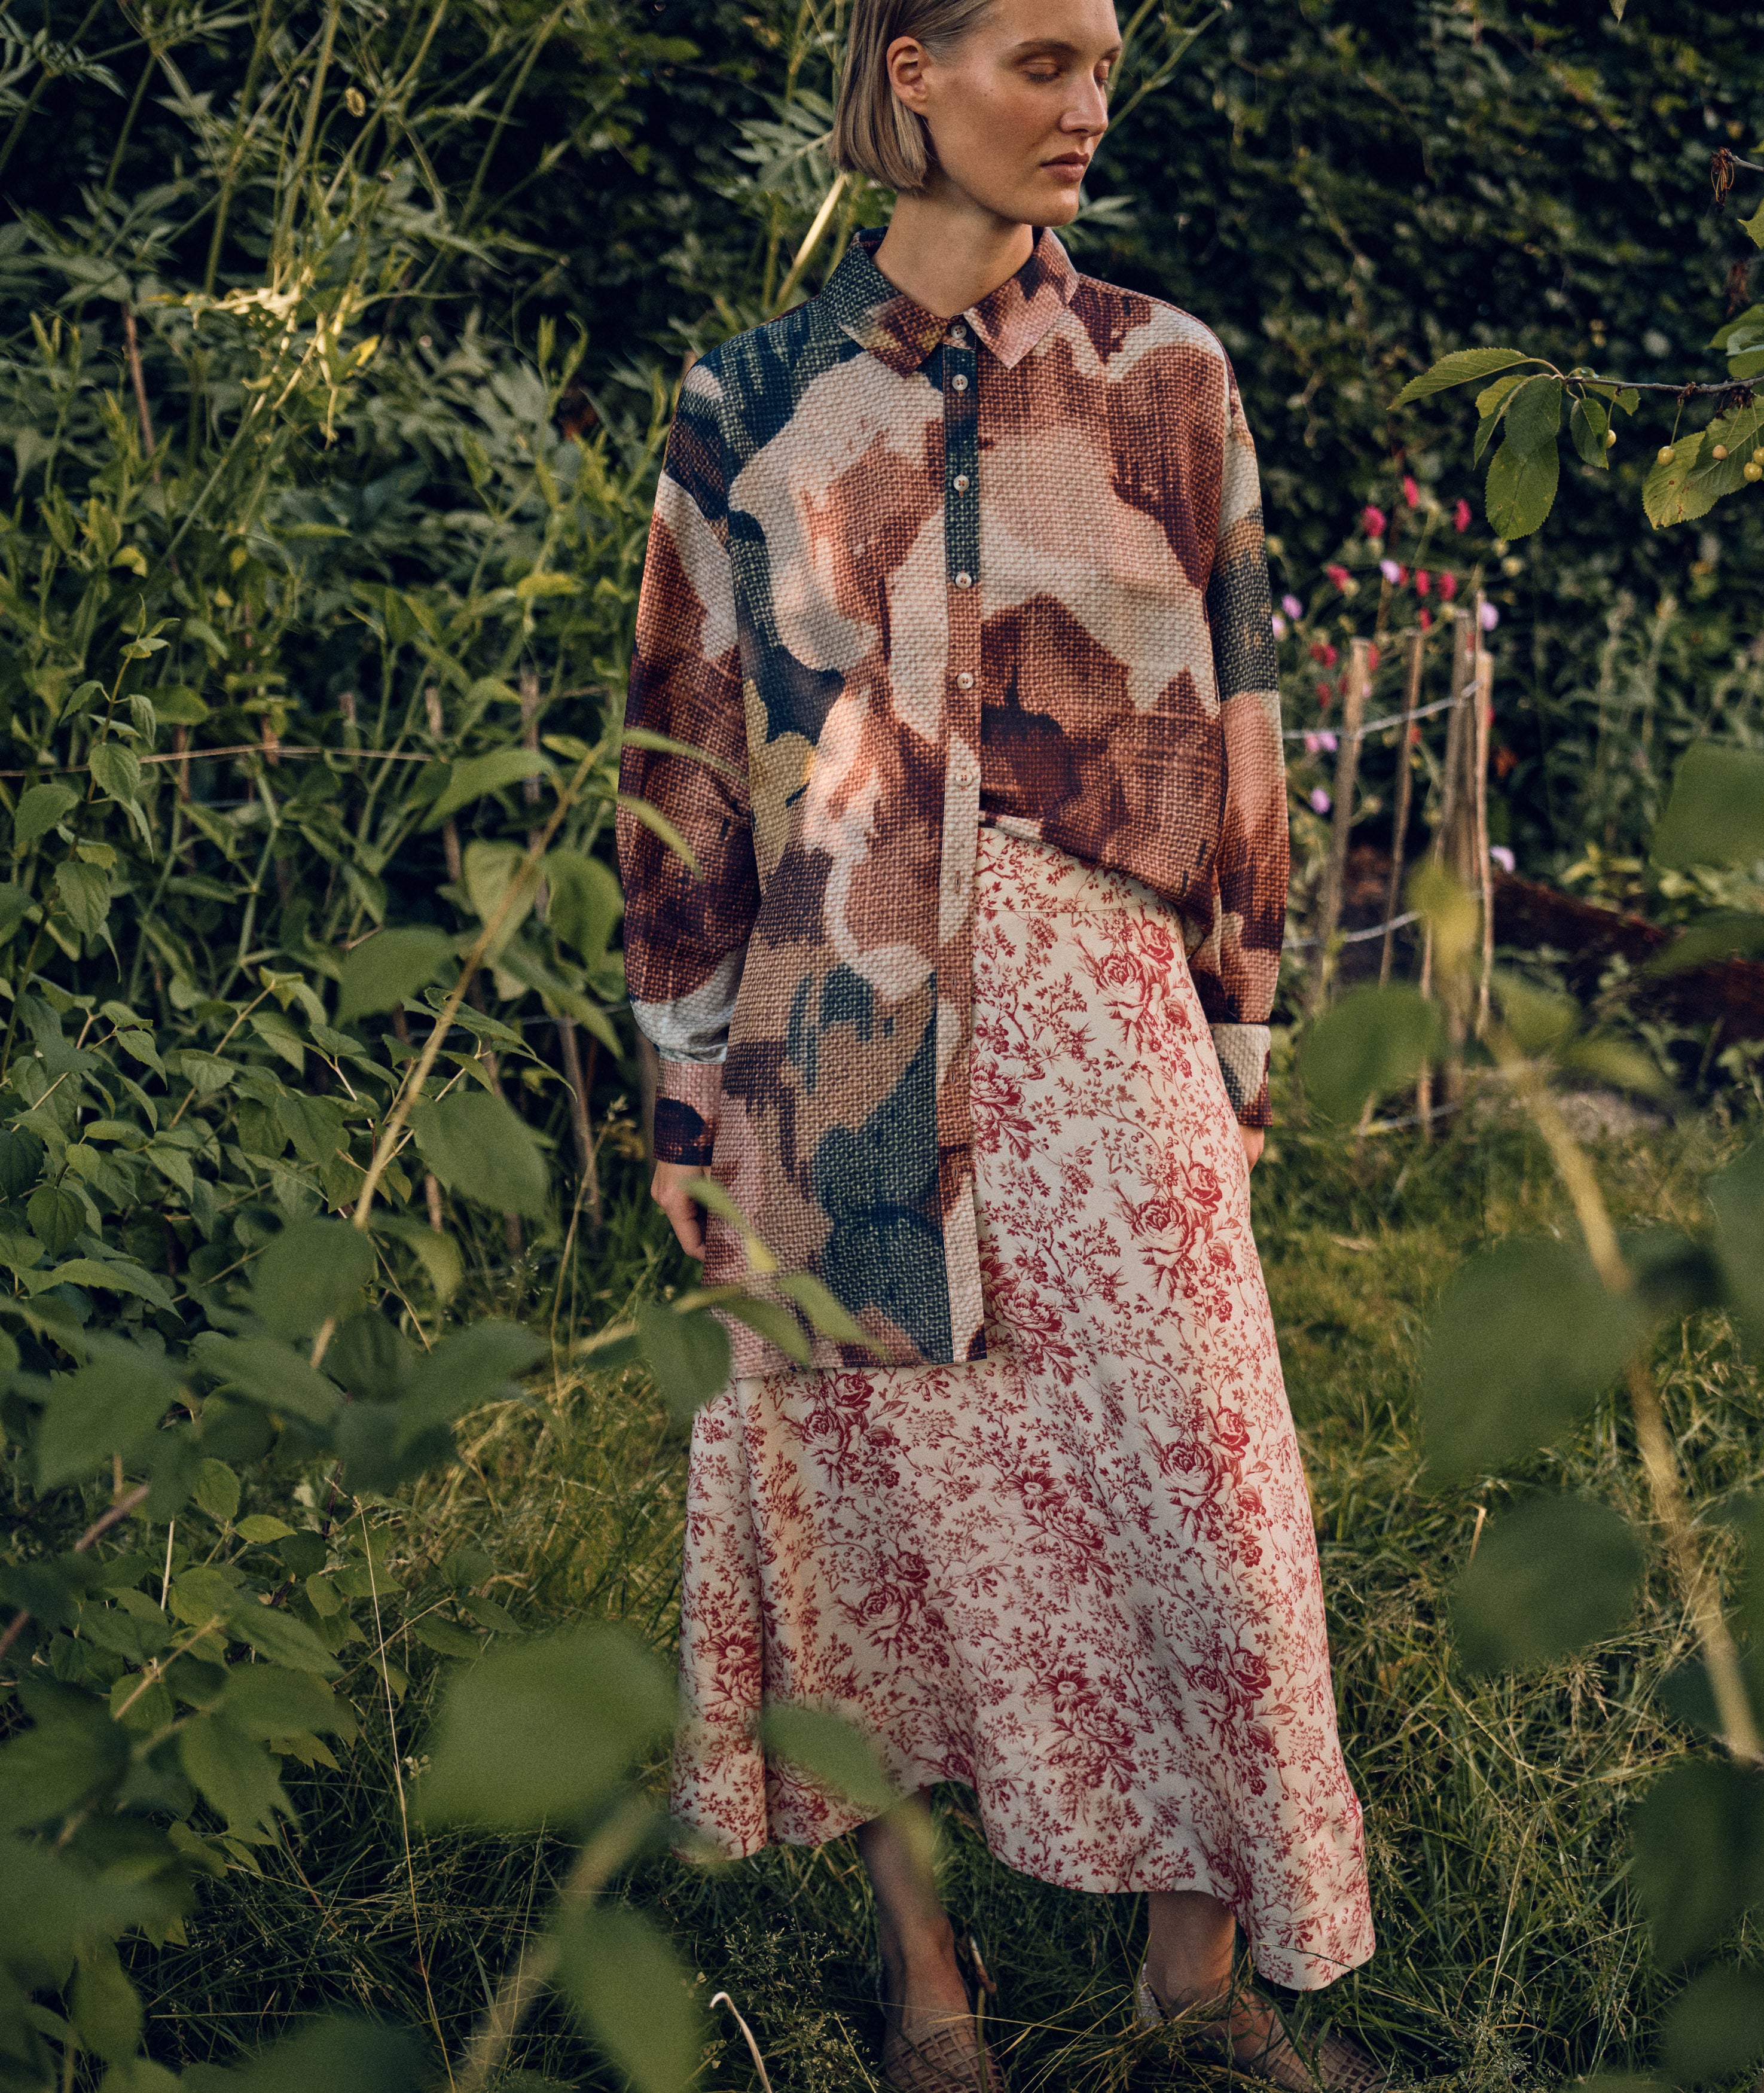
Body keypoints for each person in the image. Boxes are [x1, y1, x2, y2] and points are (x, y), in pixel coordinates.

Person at [617, 1, 1382, 2085]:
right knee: (869, 1506)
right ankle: (926, 1983)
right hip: (833, 1029)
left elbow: (1241, 726)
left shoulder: (1166, 375)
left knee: (1211, 1497)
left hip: (1105, 1013)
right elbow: (683, 755)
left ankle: (1193, 1982)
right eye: (1040, 60)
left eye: (1101, 62)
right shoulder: (749, 403)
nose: (1086, 105)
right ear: (912, 68)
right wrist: (685, 1081)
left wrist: (1238, 1031)